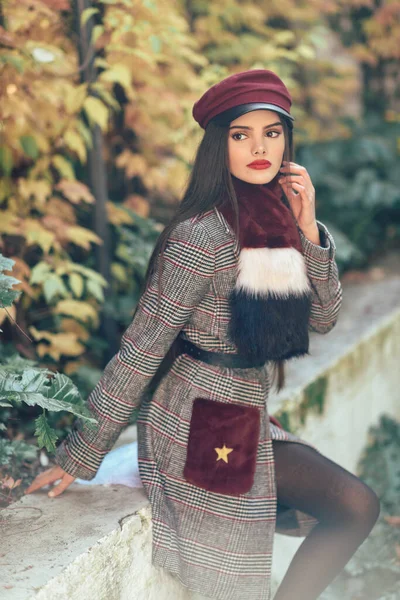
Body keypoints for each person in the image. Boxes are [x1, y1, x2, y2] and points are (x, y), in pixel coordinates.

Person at [25, 69, 380, 600]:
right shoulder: (202, 236)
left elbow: (324, 319)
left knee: (353, 507)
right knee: (319, 526)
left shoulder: (277, 226)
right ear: (220, 146)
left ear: (287, 143)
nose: (259, 147)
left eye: (272, 133)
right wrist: (79, 454)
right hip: (197, 420)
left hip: (247, 412)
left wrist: (309, 231)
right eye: (242, 135)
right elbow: (142, 350)